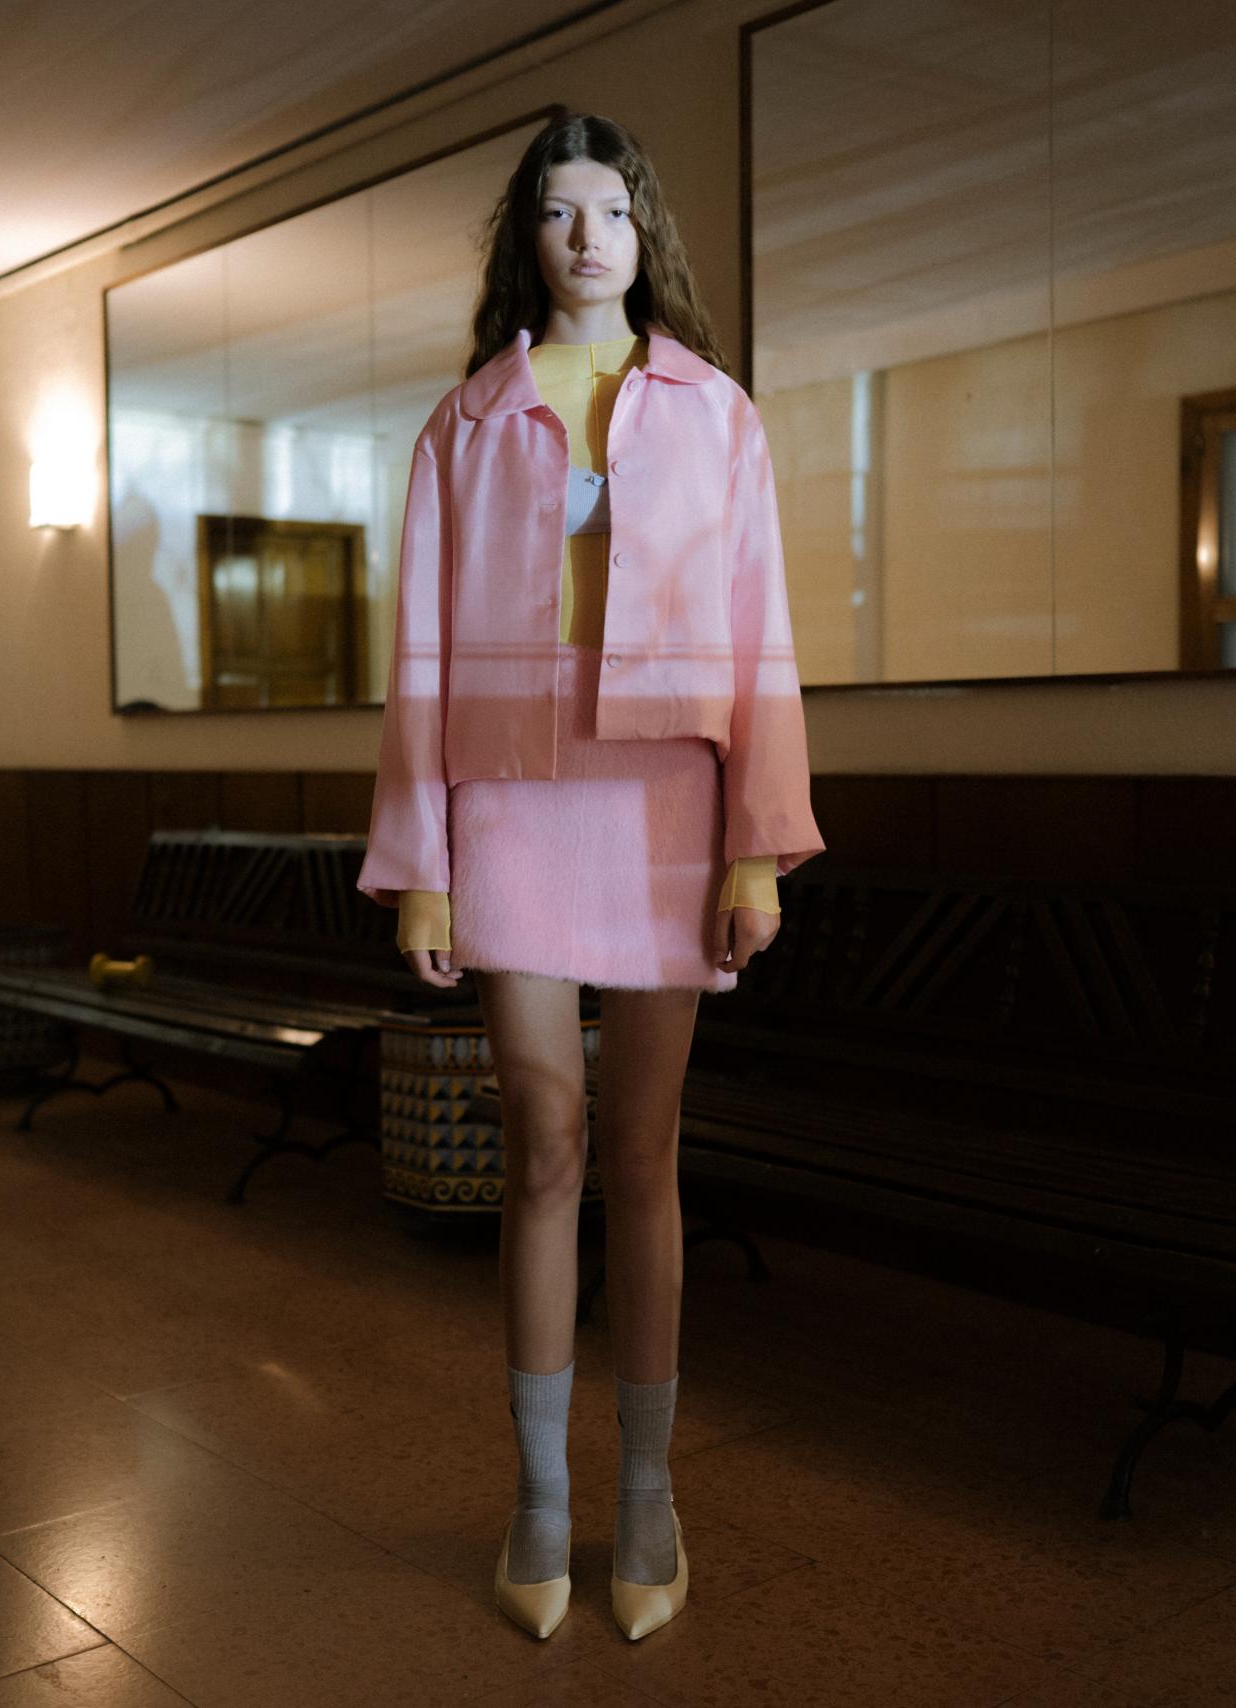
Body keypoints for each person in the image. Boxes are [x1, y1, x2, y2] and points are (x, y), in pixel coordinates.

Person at [357, 110, 825, 1641]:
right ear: (528, 235)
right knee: (544, 1139)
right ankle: (541, 1495)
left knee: (643, 1147)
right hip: (511, 795)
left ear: (643, 232)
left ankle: (646, 1492)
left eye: (610, 209)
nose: (586, 237)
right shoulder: (466, 422)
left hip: (669, 800)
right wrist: (423, 866)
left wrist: (756, 844)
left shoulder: (717, 414)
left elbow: (762, 638)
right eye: (558, 211)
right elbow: (422, 655)